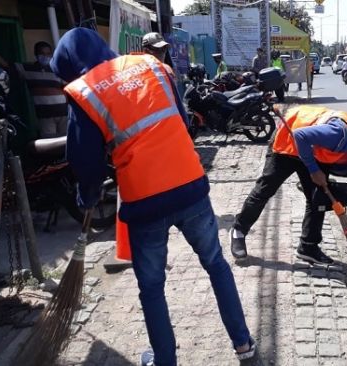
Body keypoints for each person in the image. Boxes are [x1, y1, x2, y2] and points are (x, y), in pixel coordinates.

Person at [50, 28, 256, 366]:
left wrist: (87, 197)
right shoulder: (153, 67)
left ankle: (164, 360)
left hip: (145, 202)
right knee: (217, 265)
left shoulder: (82, 91)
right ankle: (243, 345)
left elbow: (84, 163)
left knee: (152, 287)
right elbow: (183, 119)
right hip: (191, 187)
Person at [229, 105, 347, 264]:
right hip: (288, 144)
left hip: (311, 151)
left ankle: (308, 247)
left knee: (317, 199)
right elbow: (300, 136)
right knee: (265, 190)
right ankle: (238, 230)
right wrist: (313, 170)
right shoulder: (340, 134)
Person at [0, 36, 67, 138]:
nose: (45, 56)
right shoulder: (28, 69)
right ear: (36, 54)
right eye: (42, 53)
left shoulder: (57, 69)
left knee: (68, 142)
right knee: (51, 146)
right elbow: (5, 65)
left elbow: (67, 88)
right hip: (45, 117)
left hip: (64, 114)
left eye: (48, 54)